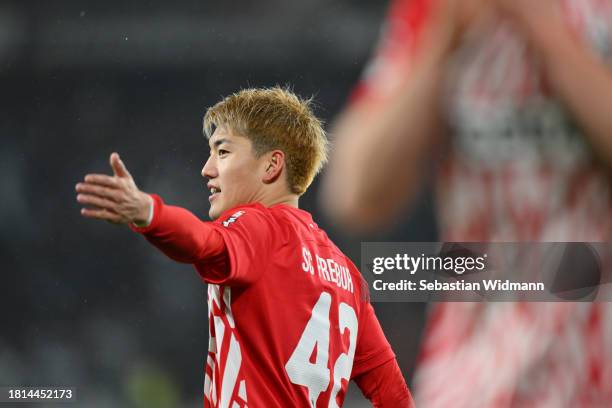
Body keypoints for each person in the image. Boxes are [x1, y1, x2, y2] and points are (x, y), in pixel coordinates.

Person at [323, 0, 612, 406]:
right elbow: (355, 195)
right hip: (470, 374)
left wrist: (545, 29)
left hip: (595, 368)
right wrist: (443, 43)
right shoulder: (439, 9)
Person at [75, 87, 414, 407]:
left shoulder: (259, 228)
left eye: (222, 151)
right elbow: (392, 392)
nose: (207, 170)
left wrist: (149, 212)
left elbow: (204, 243)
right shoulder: (347, 275)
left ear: (271, 165)